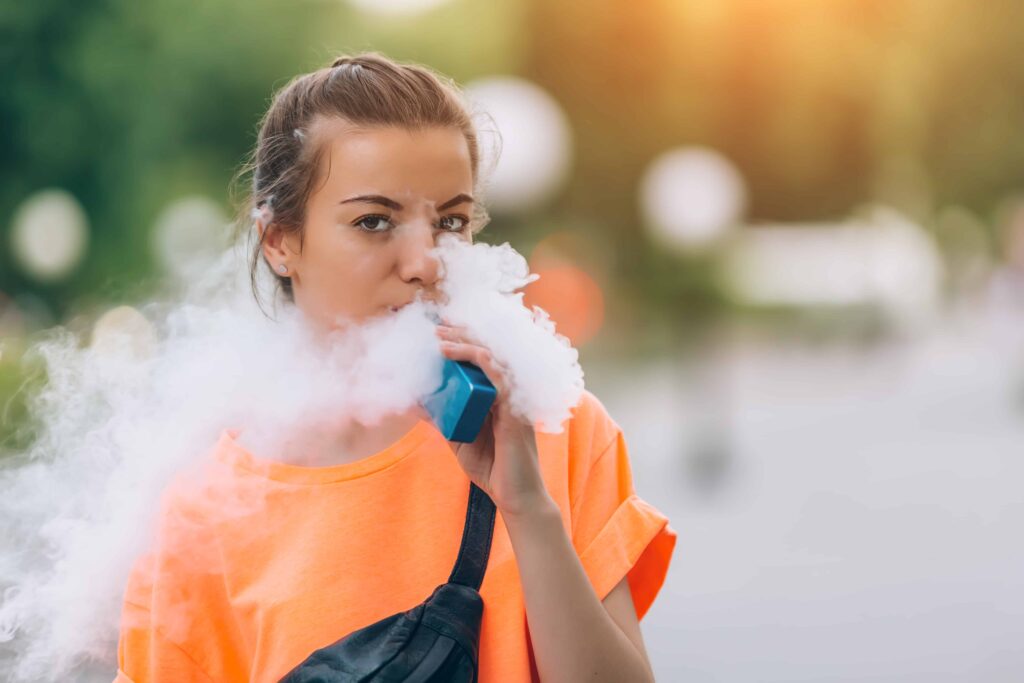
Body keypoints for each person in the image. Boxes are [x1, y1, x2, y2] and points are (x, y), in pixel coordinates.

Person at [113, 52, 677, 682]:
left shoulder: (555, 431)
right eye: (374, 221)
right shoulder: (205, 514)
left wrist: (529, 511)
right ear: (280, 242)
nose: (425, 262)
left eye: (450, 222)